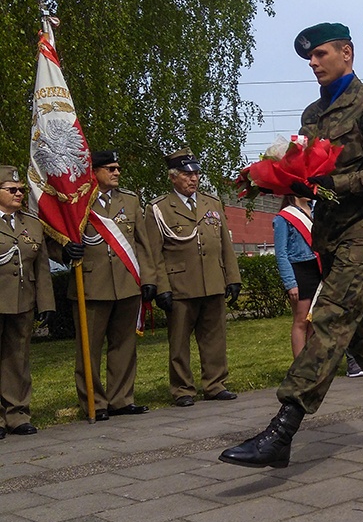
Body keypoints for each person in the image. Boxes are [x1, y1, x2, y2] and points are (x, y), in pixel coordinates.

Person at [220, 22, 363, 468]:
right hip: (329, 232)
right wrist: (284, 179)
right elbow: (308, 172)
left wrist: (333, 182)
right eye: (309, 59)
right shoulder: (312, 114)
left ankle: (282, 430)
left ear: (347, 53)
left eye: (320, 55)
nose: (313, 64)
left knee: (328, 319)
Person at [54, 150, 157, 420]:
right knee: (89, 349)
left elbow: (142, 245)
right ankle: (94, 402)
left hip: (126, 283)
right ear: (94, 171)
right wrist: (63, 252)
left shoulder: (130, 201)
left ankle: (121, 399)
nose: (116, 173)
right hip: (91, 284)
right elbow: (54, 237)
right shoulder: (76, 202)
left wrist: (148, 279)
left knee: (124, 346)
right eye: (110, 168)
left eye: (118, 168)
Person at [145, 148, 241, 407]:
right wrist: (161, 286)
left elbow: (225, 245)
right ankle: (182, 389)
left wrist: (232, 277)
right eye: (187, 175)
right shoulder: (159, 208)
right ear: (173, 177)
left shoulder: (212, 203)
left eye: (196, 174)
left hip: (212, 280)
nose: (193, 179)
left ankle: (215, 383)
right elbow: (154, 253)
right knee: (179, 342)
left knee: (215, 337)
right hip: (180, 285)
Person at [0, 166, 54, 437]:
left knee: (18, 360)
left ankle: (17, 414)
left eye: (21, 189)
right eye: (12, 189)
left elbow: (41, 268)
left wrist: (46, 304)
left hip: (22, 300)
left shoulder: (31, 222)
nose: (19, 193)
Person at [274, 194, 320, 357]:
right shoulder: (284, 217)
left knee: (315, 320)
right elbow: (281, 253)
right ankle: (299, 367)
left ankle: (311, 362)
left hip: (318, 269)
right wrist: (290, 282)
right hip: (299, 270)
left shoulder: (317, 211)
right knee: (301, 320)